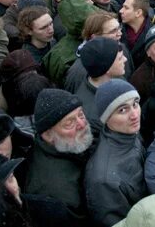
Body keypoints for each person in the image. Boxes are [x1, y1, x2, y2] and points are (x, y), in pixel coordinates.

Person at [25, 88, 93, 220]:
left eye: (81, 114)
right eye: (69, 123)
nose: (82, 124)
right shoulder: (58, 195)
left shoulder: (65, 145)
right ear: (48, 135)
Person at [85, 80, 147, 226]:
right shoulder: (104, 180)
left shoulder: (129, 132)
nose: (134, 115)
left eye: (135, 104)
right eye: (122, 110)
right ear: (106, 119)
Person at [76, 37, 128, 134]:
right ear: (107, 67)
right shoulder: (90, 112)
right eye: (120, 58)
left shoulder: (118, 78)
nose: (125, 59)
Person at [120, 0, 154, 69]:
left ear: (138, 13)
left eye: (126, 8)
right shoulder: (118, 31)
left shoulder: (154, 34)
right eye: (122, 7)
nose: (121, 11)